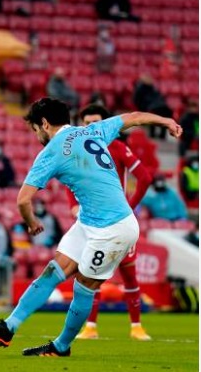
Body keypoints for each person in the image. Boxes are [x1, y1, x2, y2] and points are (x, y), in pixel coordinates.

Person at [0, 97, 181, 356]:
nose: (36, 135)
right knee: (54, 270)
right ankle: (9, 326)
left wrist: (32, 223)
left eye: (35, 129)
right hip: (89, 221)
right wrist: (166, 121)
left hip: (114, 229)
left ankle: (61, 346)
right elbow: (135, 116)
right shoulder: (92, 130)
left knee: (83, 286)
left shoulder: (51, 152)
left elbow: (23, 200)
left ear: (45, 123)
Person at [68, 104, 153, 341]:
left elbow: (145, 178)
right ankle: (92, 327)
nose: (90, 127)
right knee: (90, 274)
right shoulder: (80, 153)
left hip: (117, 222)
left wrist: (130, 207)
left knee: (128, 275)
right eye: (86, 123)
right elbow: (69, 181)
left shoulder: (117, 147)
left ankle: (135, 326)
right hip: (94, 223)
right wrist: (71, 206)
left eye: (95, 123)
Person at [133, 75, 173, 139]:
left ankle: (160, 135)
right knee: (156, 115)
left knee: (164, 114)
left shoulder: (153, 88)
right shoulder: (141, 88)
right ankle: (154, 135)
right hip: (152, 107)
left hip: (158, 106)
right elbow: (137, 100)